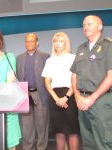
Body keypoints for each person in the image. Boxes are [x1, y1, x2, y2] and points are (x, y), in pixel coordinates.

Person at [71, 15, 112, 150]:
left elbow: (111, 76)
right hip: (81, 101)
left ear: (100, 26)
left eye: (89, 24)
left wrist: (92, 98)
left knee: (104, 142)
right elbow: (74, 75)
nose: (85, 27)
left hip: (101, 101)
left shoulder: (108, 46)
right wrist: (77, 96)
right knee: (88, 143)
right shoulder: (81, 48)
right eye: (83, 25)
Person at [41, 32, 80, 150]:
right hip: (55, 97)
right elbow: (47, 82)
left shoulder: (74, 58)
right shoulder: (50, 60)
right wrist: (56, 98)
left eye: (61, 41)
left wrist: (66, 97)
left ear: (66, 43)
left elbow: (75, 80)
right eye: (55, 41)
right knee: (59, 131)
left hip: (71, 96)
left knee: (72, 130)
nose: (57, 44)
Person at [16, 33, 50, 150]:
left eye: (32, 41)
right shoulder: (18, 58)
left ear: (37, 43)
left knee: (42, 124)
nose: (29, 43)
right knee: (26, 126)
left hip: (40, 94)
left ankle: (41, 147)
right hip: (25, 94)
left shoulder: (46, 56)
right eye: (27, 41)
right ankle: (28, 147)